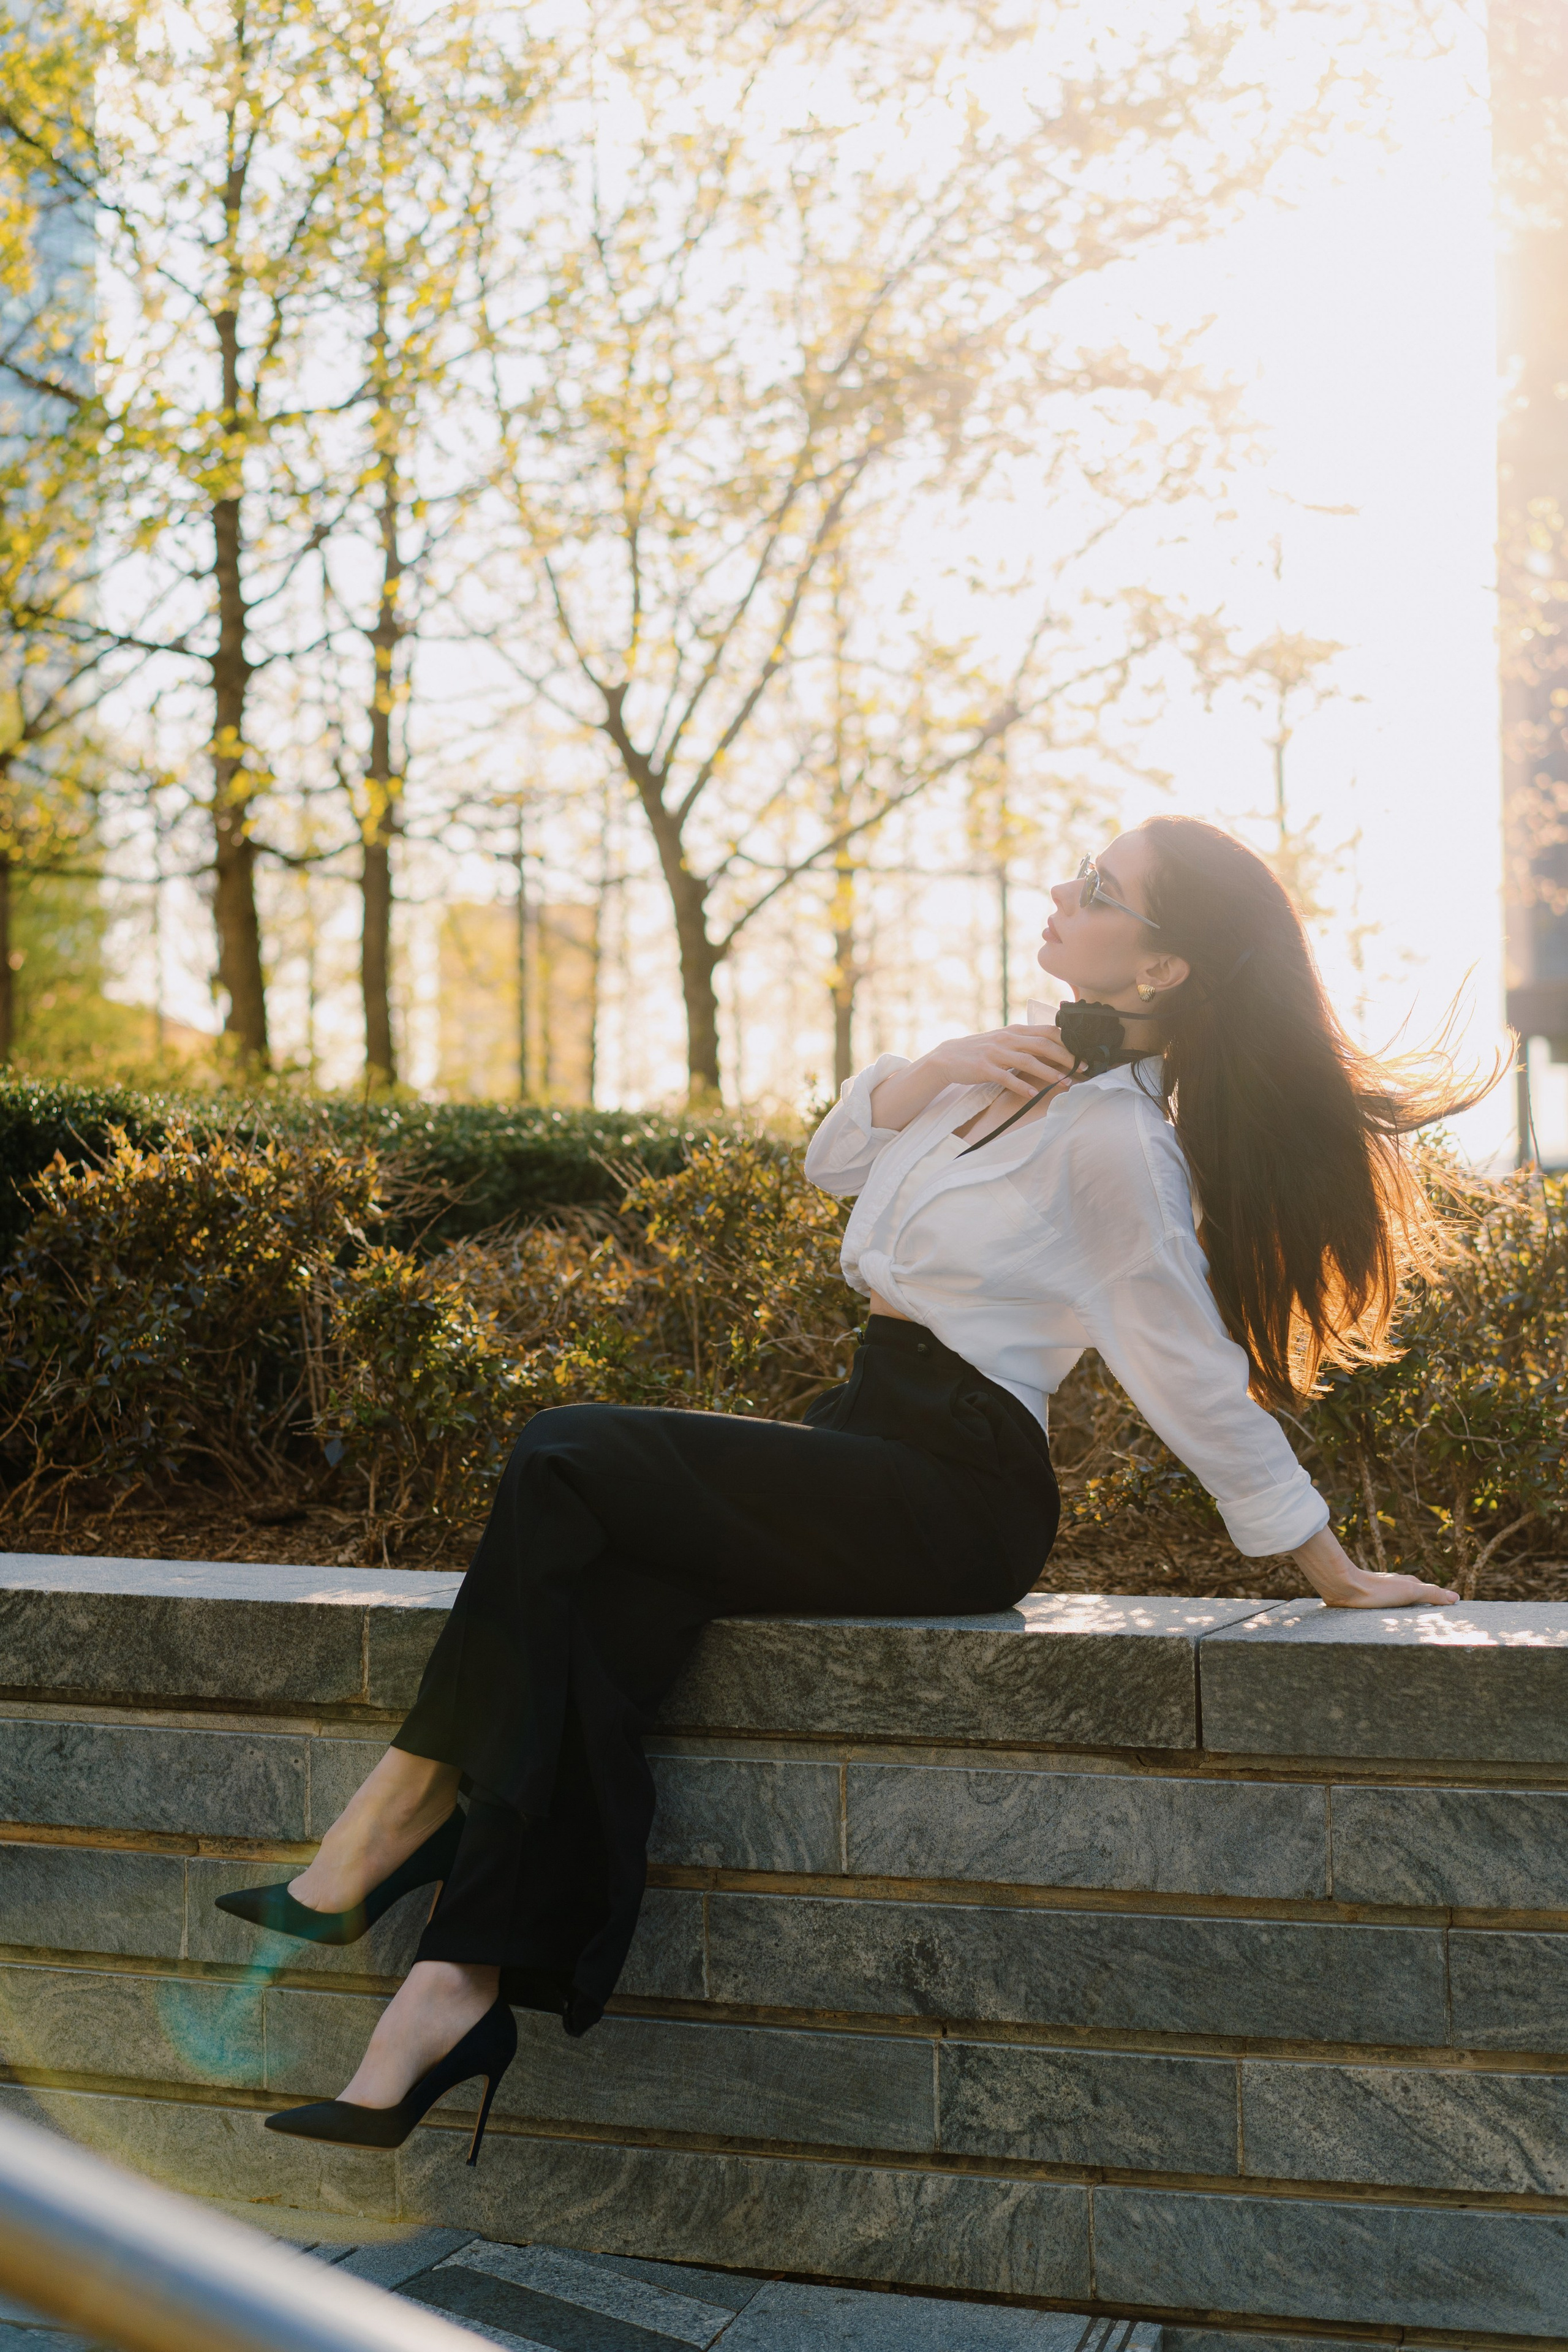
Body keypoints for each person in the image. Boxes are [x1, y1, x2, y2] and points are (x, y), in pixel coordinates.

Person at [227, 814, 1466, 2162]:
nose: (1061, 887)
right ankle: (450, 1991)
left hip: (956, 1488)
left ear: (1161, 972)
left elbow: (1180, 1362)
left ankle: (392, 1813)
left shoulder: (1115, 1141)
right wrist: (931, 1067)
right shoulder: (1013, 1070)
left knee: (563, 1450)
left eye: (1098, 889)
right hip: (864, 1435)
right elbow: (837, 1166)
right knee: (601, 1602)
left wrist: (1321, 1563)